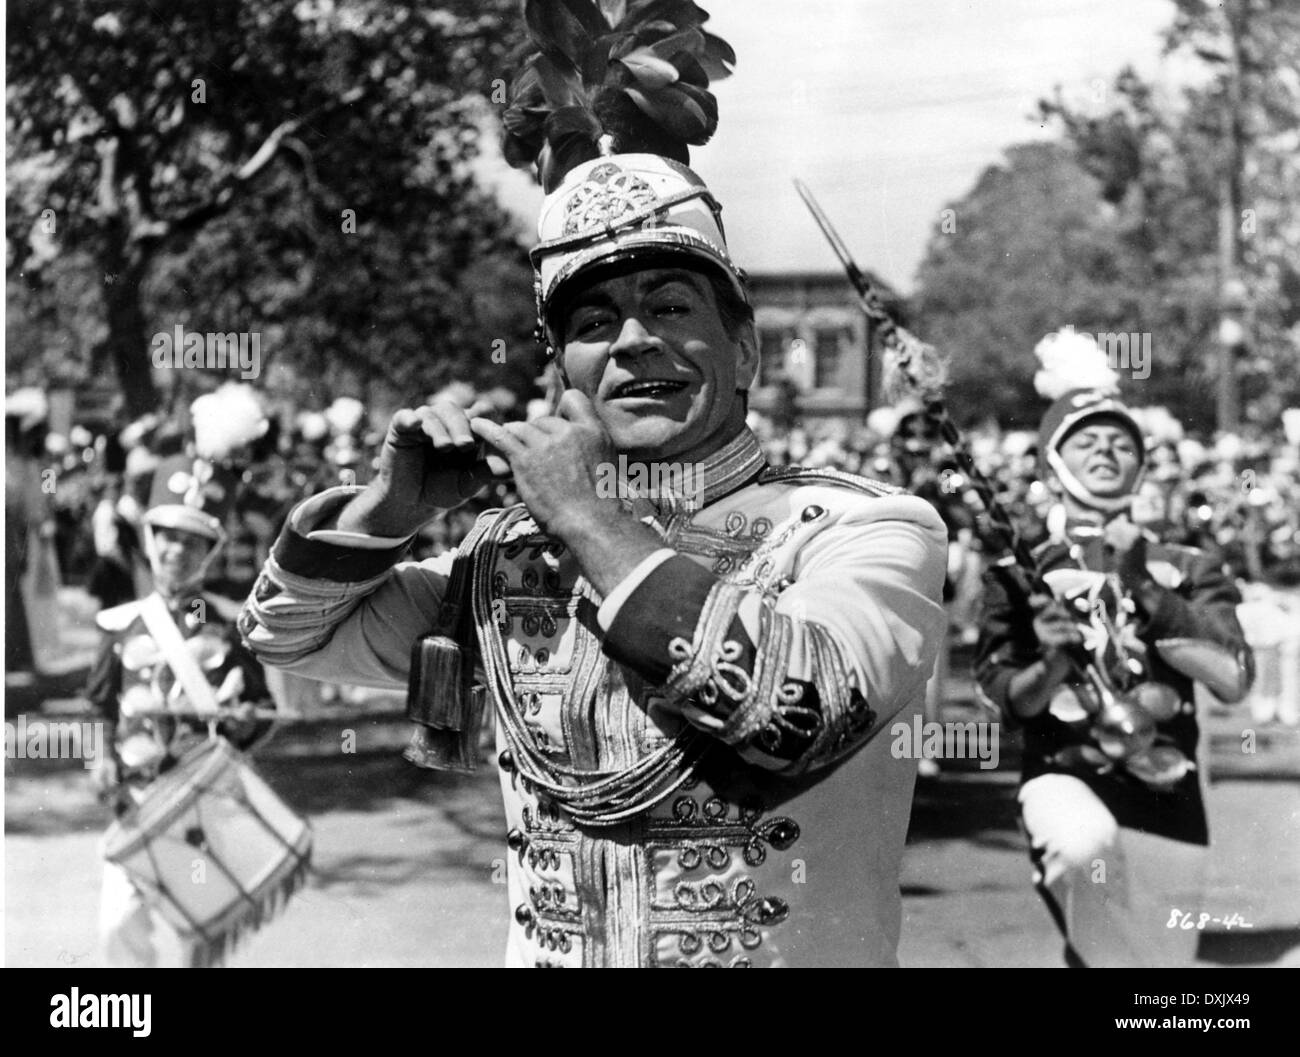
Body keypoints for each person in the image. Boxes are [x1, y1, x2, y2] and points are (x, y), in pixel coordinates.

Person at [239, 0, 947, 969]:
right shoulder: (500, 559)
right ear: (559, 368)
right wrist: (389, 510)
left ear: (742, 348)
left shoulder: (865, 528)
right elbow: (287, 636)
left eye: (668, 305)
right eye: (594, 321)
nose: (635, 342)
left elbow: (800, 710)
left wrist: (581, 510)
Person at [975, 371, 1253, 968]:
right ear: (1052, 466)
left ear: (1142, 467)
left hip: (1170, 800)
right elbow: (1005, 700)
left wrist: (1145, 589)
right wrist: (1052, 662)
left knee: (1149, 979)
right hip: (1065, 778)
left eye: (1122, 442)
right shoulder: (1022, 570)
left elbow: (1234, 679)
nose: (1105, 450)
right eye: (1086, 440)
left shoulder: (1190, 566)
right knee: (1082, 850)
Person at [88, 454, 276, 967]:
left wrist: (241, 728)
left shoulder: (228, 625)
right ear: (150, 542)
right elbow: (100, 703)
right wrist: (100, 758)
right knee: (118, 929)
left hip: (203, 800)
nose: (176, 551)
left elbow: (263, 709)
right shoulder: (120, 624)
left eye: (192, 542)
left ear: (209, 552)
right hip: (136, 798)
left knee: (201, 938)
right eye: (167, 537)